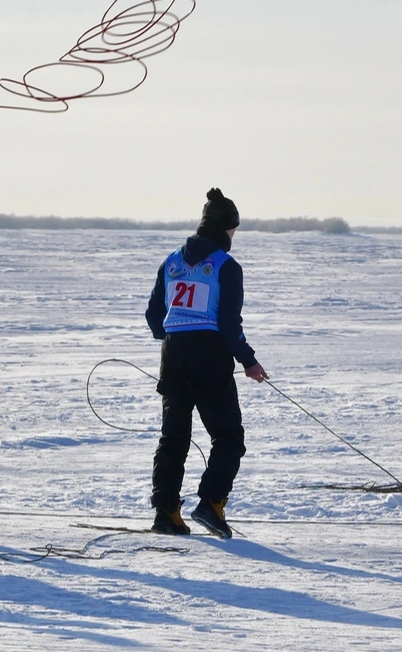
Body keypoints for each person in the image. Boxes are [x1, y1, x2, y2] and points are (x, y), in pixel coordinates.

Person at [143, 187, 268, 539]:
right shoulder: (227, 267)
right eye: (233, 229)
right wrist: (248, 361)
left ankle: (166, 511)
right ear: (224, 229)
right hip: (209, 355)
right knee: (229, 437)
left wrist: (172, 337)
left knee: (173, 439)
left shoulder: (171, 262)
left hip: (174, 353)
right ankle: (211, 504)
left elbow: (155, 316)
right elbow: (229, 324)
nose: (234, 236)